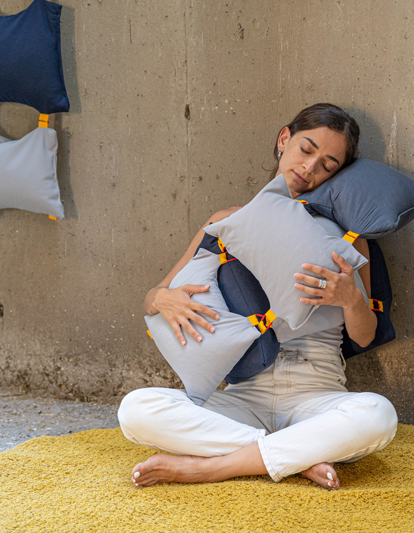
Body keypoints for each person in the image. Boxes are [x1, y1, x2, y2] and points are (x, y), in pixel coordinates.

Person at [117, 103, 398, 490]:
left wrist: (350, 299)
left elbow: (365, 337)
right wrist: (163, 299)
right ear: (284, 140)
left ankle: (213, 467)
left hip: (316, 396)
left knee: (378, 415)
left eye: (328, 164)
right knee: (136, 410)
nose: (309, 167)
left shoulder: (348, 239)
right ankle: (296, 457)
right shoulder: (226, 221)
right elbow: (153, 297)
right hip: (243, 397)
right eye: (306, 149)